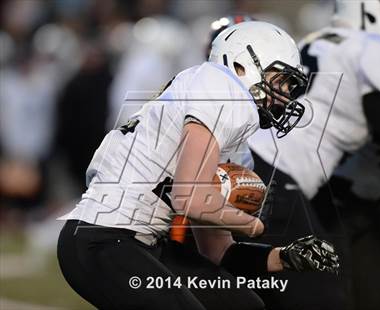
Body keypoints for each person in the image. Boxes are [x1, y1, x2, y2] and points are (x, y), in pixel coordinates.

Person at [56, 21, 338, 310]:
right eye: (279, 80)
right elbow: (189, 198)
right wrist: (253, 224)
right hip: (102, 238)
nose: (285, 95)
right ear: (242, 65)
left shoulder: (232, 135)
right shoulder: (222, 88)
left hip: (144, 243)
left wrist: (285, 256)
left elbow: (218, 251)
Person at [245, 1, 380, 309]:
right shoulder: (377, 51)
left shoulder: (321, 40)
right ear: (372, 13)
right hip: (285, 182)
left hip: (261, 165)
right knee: (320, 297)